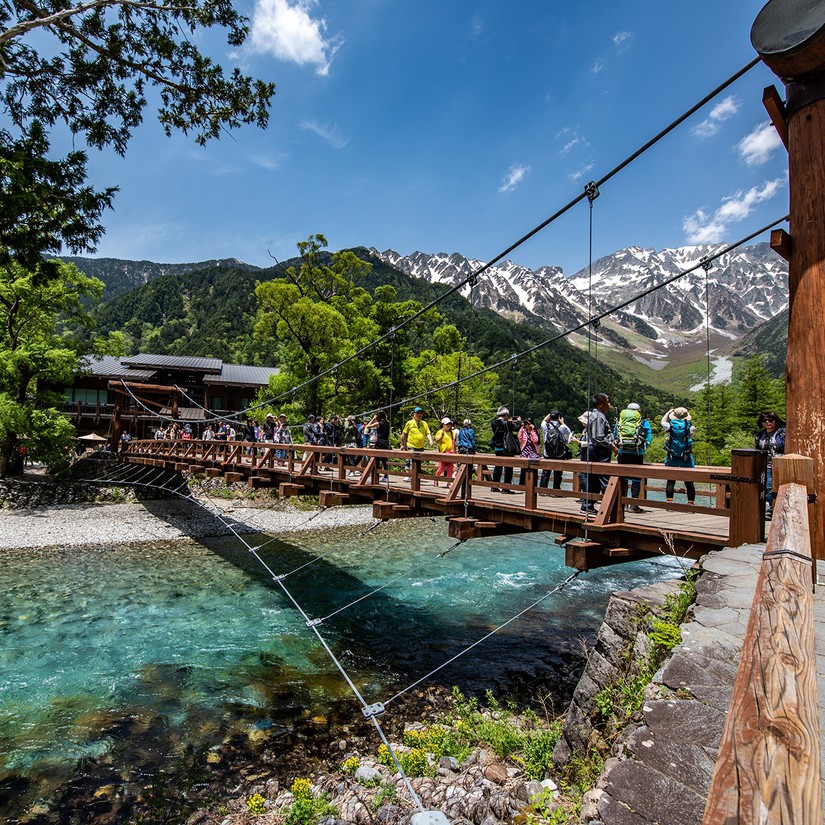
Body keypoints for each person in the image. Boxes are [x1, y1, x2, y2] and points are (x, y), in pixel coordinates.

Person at [581, 393, 617, 513]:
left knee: (594, 479)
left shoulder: (595, 416)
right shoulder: (599, 417)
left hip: (595, 450)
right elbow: (598, 437)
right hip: (598, 451)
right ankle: (610, 509)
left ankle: (588, 506)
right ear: (600, 404)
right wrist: (612, 446)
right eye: (607, 402)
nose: (609, 404)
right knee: (603, 478)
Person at [615, 402, 653, 512]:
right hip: (637, 452)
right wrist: (645, 447)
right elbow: (649, 435)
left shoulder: (621, 421)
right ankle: (634, 505)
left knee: (623, 478)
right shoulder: (643, 421)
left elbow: (615, 434)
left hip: (622, 452)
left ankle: (623, 504)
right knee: (636, 478)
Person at [661, 407, 696, 505]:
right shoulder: (691, 428)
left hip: (672, 457)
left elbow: (663, 420)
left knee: (671, 482)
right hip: (686, 458)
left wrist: (668, 411)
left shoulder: (668, 426)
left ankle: (670, 504)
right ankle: (690, 505)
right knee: (689, 482)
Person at [755, 411, 785, 519]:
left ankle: (776, 510)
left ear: (776, 421)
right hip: (766, 465)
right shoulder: (760, 435)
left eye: (770, 420)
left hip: (781, 465)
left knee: (780, 487)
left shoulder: (782, 433)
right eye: (764, 421)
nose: (767, 422)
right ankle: (773, 509)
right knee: (767, 487)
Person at [490, 406, 520, 493]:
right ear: (506, 414)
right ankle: (506, 488)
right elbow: (517, 428)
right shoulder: (508, 423)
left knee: (498, 467)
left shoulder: (494, 423)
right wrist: (518, 421)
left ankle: (494, 486)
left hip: (497, 448)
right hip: (507, 448)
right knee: (508, 468)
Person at [540, 411, 572, 490]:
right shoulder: (563, 427)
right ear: (559, 418)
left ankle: (543, 490)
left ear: (550, 417)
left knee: (545, 472)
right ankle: (556, 490)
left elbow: (543, 421)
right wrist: (562, 423)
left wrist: (550, 414)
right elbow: (570, 435)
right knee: (558, 473)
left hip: (547, 454)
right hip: (559, 454)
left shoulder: (545, 426)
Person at [400, 406, 433, 473]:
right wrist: (403, 444)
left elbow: (428, 433)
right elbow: (404, 434)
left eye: (420, 413)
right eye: (417, 413)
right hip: (411, 445)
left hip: (420, 447)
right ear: (414, 414)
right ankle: (409, 475)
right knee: (409, 461)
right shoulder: (410, 423)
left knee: (418, 463)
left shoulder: (424, 424)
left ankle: (415, 477)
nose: (419, 414)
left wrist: (430, 440)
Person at [364, 410, 391, 481]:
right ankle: (386, 476)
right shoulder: (388, 423)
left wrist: (373, 419)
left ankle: (375, 476)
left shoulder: (378, 423)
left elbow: (368, 427)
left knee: (376, 459)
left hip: (380, 442)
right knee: (385, 460)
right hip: (386, 442)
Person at [518, 417, 541, 485]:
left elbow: (535, 440)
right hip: (525, 451)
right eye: (526, 424)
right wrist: (521, 428)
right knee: (523, 468)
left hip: (533, 451)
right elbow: (519, 438)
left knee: (534, 467)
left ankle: (533, 484)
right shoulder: (524, 430)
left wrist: (532, 431)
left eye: (529, 424)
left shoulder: (535, 431)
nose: (527, 425)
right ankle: (521, 484)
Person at [434, 417, 456, 486]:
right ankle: (436, 479)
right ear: (443, 425)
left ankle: (448, 483)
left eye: (450, 424)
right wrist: (441, 436)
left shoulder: (452, 432)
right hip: (443, 453)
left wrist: (455, 451)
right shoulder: (440, 432)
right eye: (447, 424)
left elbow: (453, 443)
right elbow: (437, 441)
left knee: (450, 469)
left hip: (451, 452)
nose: (449, 425)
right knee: (441, 468)